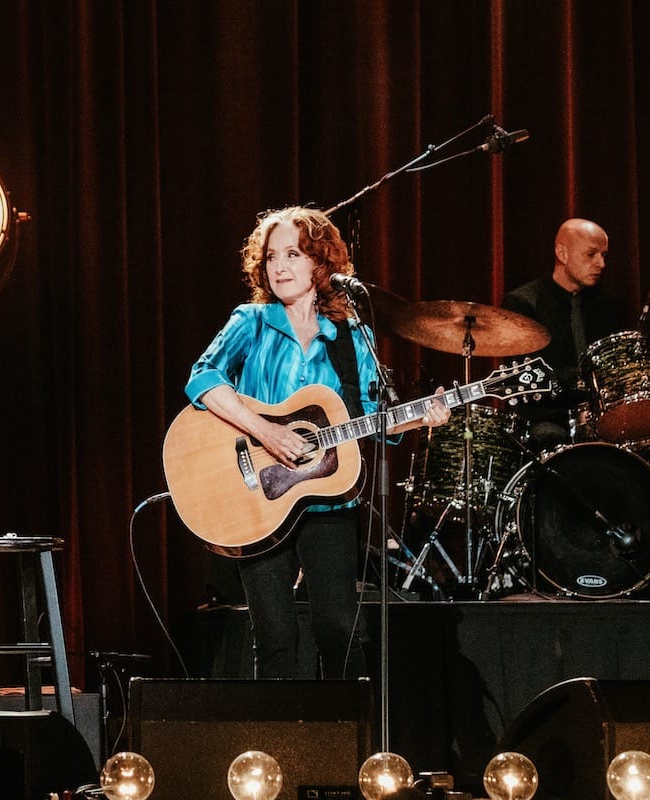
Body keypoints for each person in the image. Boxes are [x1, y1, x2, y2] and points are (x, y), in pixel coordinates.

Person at [184, 206, 449, 679]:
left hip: (327, 499)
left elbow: (373, 416)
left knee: (338, 629)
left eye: (293, 254)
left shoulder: (350, 335)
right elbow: (202, 379)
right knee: (275, 637)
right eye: (271, 257)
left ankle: (343, 724)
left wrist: (420, 416)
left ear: (320, 263)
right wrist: (265, 431)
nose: (279, 266)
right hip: (256, 497)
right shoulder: (251, 321)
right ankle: (279, 728)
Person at [501, 218, 622, 450]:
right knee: (548, 436)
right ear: (562, 253)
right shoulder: (524, 303)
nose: (601, 263)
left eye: (604, 255)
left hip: (599, 416)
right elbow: (526, 380)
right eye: (591, 254)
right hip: (546, 418)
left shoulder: (606, 306)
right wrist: (582, 379)